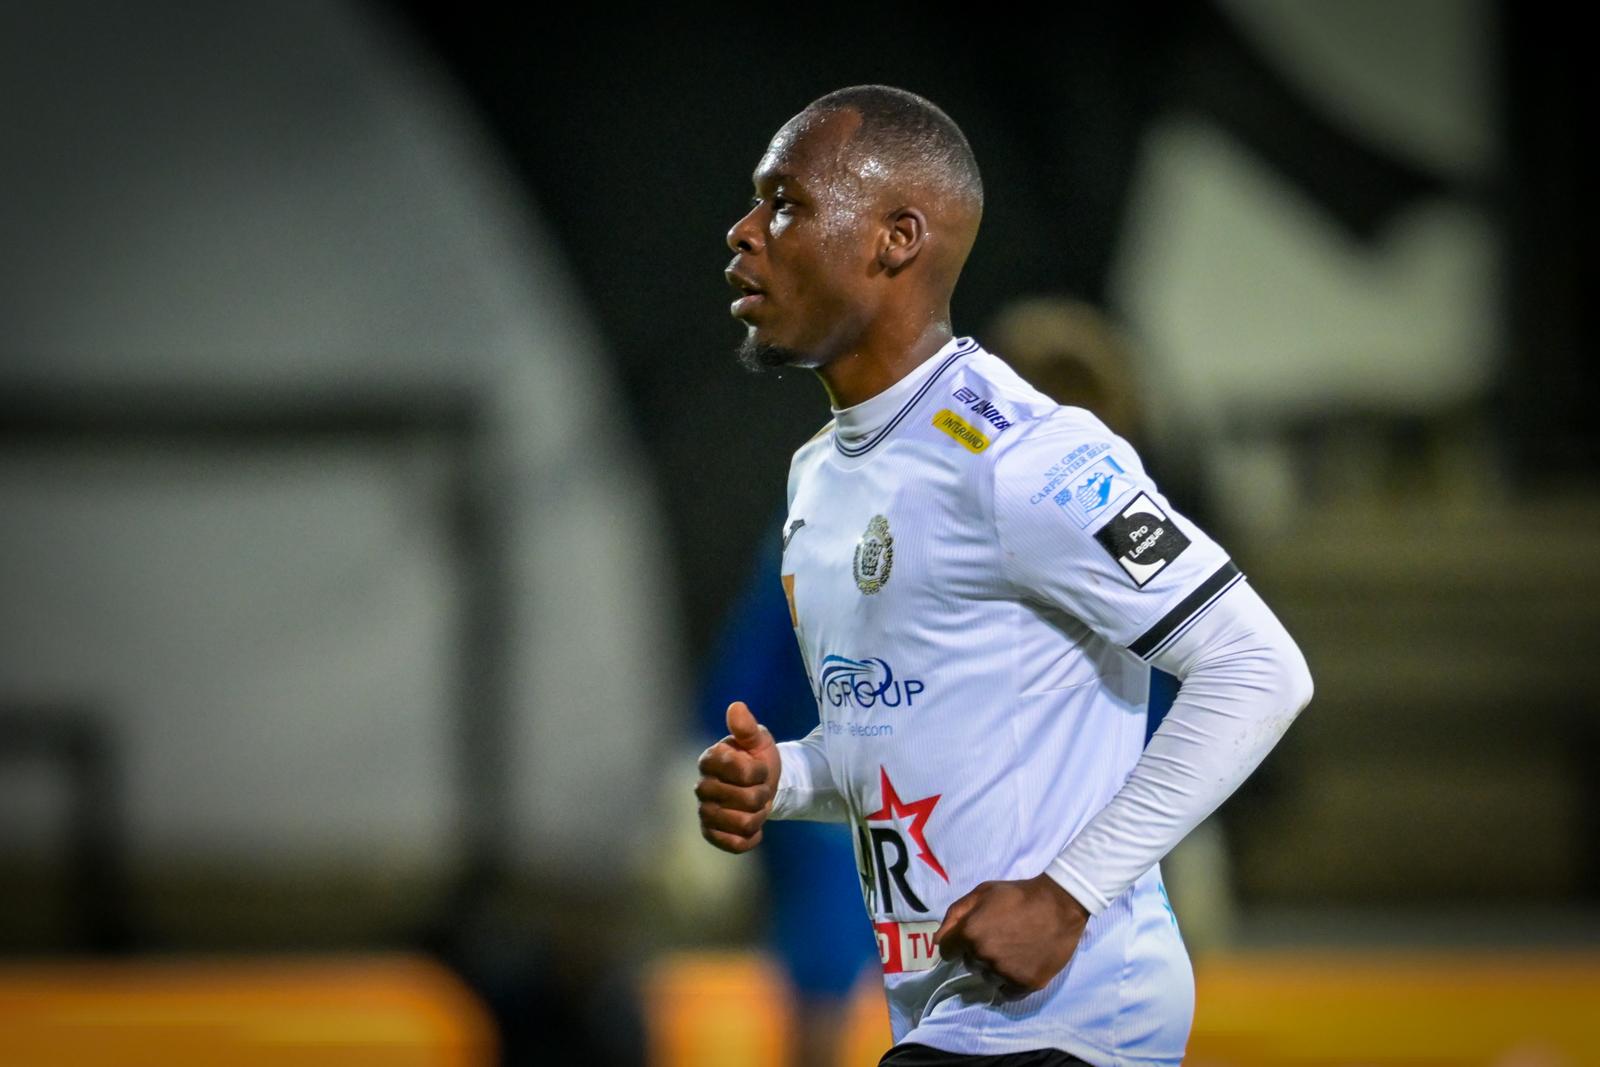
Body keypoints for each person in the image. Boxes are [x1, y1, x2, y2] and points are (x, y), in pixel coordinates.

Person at [697, 85, 1313, 1067]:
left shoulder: (1027, 456)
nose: (743, 232)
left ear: (897, 238)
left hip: (1065, 1019)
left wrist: (1068, 893)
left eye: (785, 204)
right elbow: (895, 741)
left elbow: (1259, 665)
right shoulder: (820, 476)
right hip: (951, 1014)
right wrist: (789, 777)